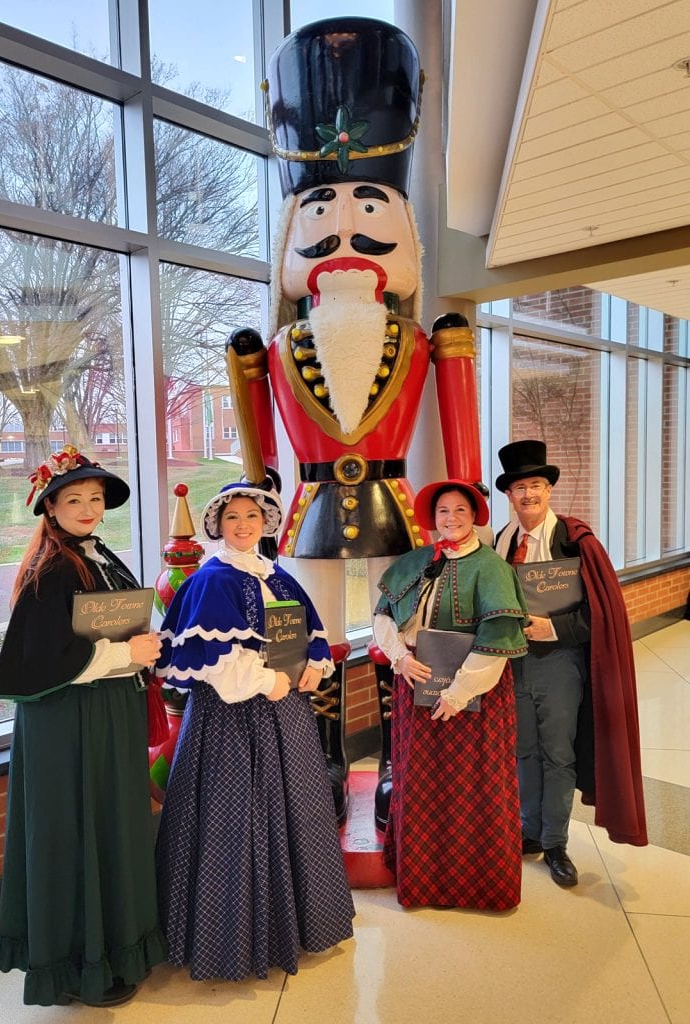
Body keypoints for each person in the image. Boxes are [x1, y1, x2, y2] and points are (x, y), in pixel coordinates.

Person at [226, 17, 484, 818]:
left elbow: (456, 430)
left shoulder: (428, 339)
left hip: (393, 508)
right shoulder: (268, 347)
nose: (344, 231)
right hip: (304, 511)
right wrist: (258, 489)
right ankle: (323, 767)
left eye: (370, 203)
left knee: (400, 635)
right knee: (307, 635)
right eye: (321, 212)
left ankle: (400, 760)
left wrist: (465, 501)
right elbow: (259, 442)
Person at [154, 483, 355, 981]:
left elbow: (309, 636)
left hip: (284, 713)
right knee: (234, 818)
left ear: (266, 523)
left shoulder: (278, 576)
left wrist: (313, 668)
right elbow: (220, 666)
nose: (243, 525)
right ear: (217, 525)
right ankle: (231, 939)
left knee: (296, 813)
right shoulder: (209, 581)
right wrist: (269, 680)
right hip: (232, 721)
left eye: (252, 516)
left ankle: (299, 923)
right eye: (233, 518)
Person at [0, 445, 165, 1007]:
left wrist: (142, 649)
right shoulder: (53, 570)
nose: (88, 508)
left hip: (106, 713)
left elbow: (117, 624)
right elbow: (44, 660)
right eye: (75, 499)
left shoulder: (99, 555)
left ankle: (113, 949)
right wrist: (126, 654)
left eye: (95, 499)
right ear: (51, 507)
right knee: (77, 828)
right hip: (68, 722)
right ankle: (79, 961)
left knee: (109, 822)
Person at [494, 439, 648, 889]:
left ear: (549, 490)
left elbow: (603, 615)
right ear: (509, 495)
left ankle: (556, 841)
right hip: (513, 663)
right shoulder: (503, 542)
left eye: (537, 486)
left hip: (559, 663)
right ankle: (529, 831)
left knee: (557, 752)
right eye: (520, 488)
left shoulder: (575, 541)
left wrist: (555, 629)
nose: (529, 496)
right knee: (523, 749)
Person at [373, 480, 527, 911]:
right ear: (432, 518)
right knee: (420, 784)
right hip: (416, 686)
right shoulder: (416, 562)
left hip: (475, 698)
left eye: (461, 510)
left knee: (473, 790)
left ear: (474, 515)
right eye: (443, 511)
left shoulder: (493, 567)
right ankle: (423, 882)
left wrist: (459, 693)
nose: (452, 519)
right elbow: (383, 616)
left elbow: (496, 639)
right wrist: (400, 658)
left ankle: (477, 887)